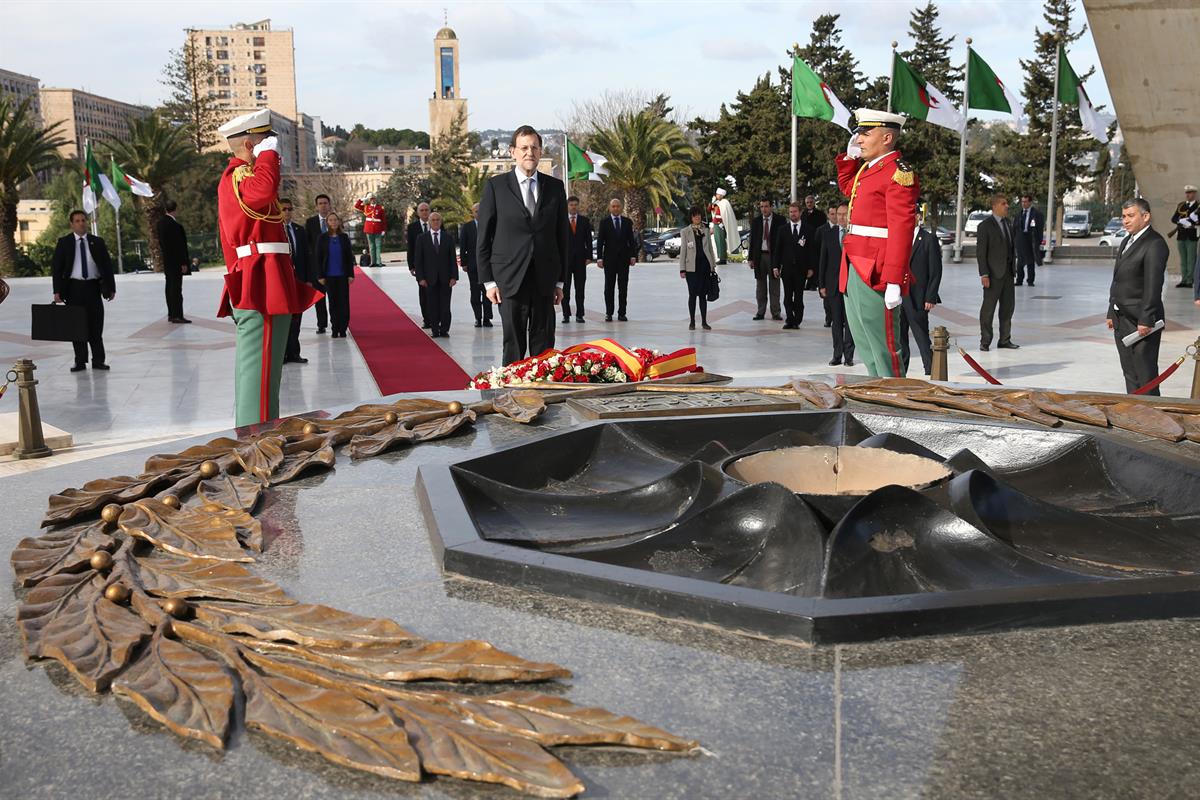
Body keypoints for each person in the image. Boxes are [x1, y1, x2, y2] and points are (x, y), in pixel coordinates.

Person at [215, 108, 321, 426]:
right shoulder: (240, 176)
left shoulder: (245, 175)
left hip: (268, 276)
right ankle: (256, 443)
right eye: (265, 139)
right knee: (259, 372)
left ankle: (261, 434)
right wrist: (267, 159)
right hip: (260, 281)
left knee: (266, 371)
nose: (271, 146)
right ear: (250, 144)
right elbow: (262, 193)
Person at [834, 109, 919, 377]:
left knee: (884, 347)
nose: (858, 139)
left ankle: (895, 401)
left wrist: (895, 279)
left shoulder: (898, 173)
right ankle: (876, 394)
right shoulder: (870, 169)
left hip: (876, 269)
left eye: (864, 133)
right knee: (865, 340)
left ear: (887, 137)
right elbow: (848, 188)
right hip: (854, 263)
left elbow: (901, 229)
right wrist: (849, 158)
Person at [476, 125, 569, 365]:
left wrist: (560, 282)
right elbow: (484, 238)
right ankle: (511, 396)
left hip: (544, 280)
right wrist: (488, 282)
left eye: (534, 148)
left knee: (544, 347)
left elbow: (562, 239)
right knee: (513, 345)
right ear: (513, 152)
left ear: (540, 151)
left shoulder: (555, 188)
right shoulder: (496, 187)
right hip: (509, 280)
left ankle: (543, 393)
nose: (530, 152)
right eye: (524, 147)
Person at [1107, 198, 1168, 395]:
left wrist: (1146, 319)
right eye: (1124, 216)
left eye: (1130, 216)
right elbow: (1117, 280)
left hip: (1141, 322)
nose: (1125, 220)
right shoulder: (1127, 240)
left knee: (1145, 374)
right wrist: (1111, 311)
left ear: (1146, 216)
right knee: (1130, 372)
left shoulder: (1155, 243)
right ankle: (1135, 412)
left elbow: (1153, 285)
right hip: (1121, 318)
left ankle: (1153, 415)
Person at [52, 209, 116, 372]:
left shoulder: (97, 242)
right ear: (72, 224)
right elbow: (57, 269)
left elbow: (107, 266)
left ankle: (98, 360)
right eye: (78, 221)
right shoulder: (64, 242)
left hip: (93, 288)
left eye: (83, 220)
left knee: (96, 325)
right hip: (73, 289)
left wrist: (111, 288)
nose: (81, 223)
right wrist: (57, 291)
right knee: (76, 326)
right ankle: (80, 361)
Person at [900, 213, 943, 375]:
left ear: (917, 216)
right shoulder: (900, 236)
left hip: (918, 296)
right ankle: (902, 368)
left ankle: (930, 367)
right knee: (900, 335)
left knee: (921, 334)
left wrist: (930, 296)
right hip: (900, 295)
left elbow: (935, 271)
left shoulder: (928, 239)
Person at [976, 193, 1019, 352]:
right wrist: (984, 274)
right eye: (1003, 203)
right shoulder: (985, 226)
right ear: (994, 206)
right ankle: (985, 340)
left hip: (1008, 273)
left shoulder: (1008, 223)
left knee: (1008, 308)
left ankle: (1005, 339)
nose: (1007, 206)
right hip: (993, 275)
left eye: (1007, 203)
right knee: (988, 309)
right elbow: (981, 252)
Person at [818, 203, 854, 367]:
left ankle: (849, 356)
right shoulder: (829, 234)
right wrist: (821, 284)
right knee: (836, 322)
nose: (841, 217)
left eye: (844, 214)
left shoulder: (855, 234)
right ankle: (837, 355)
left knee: (850, 322)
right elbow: (823, 260)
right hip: (833, 285)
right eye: (838, 214)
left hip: (851, 286)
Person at [414, 211, 458, 338]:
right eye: (433, 220)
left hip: (446, 279)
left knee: (445, 306)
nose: (436, 222)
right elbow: (418, 260)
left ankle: (444, 329)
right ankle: (434, 330)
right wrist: (420, 278)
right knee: (432, 305)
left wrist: (454, 277)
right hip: (429, 279)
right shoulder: (422, 238)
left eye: (438, 220)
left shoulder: (448, 238)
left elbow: (452, 259)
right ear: (429, 222)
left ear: (441, 221)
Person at [596, 197, 637, 322]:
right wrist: (599, 258)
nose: (615, 208)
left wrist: (633, 256)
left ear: (621, 207)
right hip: (609, 260)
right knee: (609, 287)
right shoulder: (604, 222)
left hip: (624, 260)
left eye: (618, 206)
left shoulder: (627, 222)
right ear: (610, 208)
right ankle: (609, 312)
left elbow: (632, 241)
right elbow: (600, 241)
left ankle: (622, 313)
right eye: (613, 206)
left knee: (623, 287)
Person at [315, 212, 355, 339]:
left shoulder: (344, 237)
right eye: (330, 220)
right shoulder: (322, 238)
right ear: (327, 223)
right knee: (333, 303)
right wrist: (320, 275)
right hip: (329, 276)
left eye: (335, 220)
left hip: (343, 275)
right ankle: (335, 328)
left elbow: (349, 257)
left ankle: (343, 328)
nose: (333, 222)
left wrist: (351, 274)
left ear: (338, 222)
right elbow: (318, 258)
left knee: (344, 302)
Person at [280, 197, 309, 364]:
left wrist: (308, 280)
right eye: (284, 209)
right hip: (283, 282)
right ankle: (282, 353)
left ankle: (294, 353)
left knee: (297, 319)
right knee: (284, 319)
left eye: (289, 209)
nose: (287, 212)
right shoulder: (274, 231)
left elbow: (305, 256)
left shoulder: (299, 230)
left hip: (299, 281)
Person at [678, 207, 717, 330]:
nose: (698, 218)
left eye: (699, 215)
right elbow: (683, 250)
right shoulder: (685, 232)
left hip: (704, 266)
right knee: (692, 295)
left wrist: (713, 265)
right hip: (691, 268)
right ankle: (692, 321)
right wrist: (682, 269)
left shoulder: (705, 230)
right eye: (695, 216)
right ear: (691, 218)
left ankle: (704, 321)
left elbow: (710, 249)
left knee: (703, 295)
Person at [777, 201, 814, 329]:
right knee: (787, 296)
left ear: (800, 212)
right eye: (791, 212)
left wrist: (810, 267)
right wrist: (775, 266)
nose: (793, 214)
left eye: (795, 211)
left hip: (801, 269)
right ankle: (789, 319)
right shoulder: (783, 230)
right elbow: (778, 250)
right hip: (786, 269)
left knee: (798, 296)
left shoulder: (808, 230)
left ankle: (797, 319)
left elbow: (811, 250)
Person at [748, 197, 785, 321]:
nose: (764, 209)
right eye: (762, 206)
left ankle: (776, 312)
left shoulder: (780, 220)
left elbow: (783, 242)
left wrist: (781, 260)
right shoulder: (756, 221)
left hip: (774, 257)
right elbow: (752, 240)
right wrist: (750, 258)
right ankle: (760, 312)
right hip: (760, 257)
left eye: (766, 206)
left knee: (774, 286)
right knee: (760, 286)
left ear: (771, 207)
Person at [156, 199, 191, 323]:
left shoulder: (160, 223)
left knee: (169, 287)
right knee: (176, 289)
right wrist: (183, 263)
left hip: (167, 261)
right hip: (176, 262)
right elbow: (178, 246)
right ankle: (177, 315)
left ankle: (171, 313)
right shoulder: (174, 225)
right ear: (175, 209)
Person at [459, 202, 491, 328]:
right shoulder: (467, 227)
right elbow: (463, 246)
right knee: (475, 293)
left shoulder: (489, 225)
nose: (479, 213)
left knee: (488, 291)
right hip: (473, 266)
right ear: (473, 213)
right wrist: (464, 263)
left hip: (487, 266)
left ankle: (487, 318)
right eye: (476, 211)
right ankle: (478, 317)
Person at [303, 194, 332, 333]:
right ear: (316, 206)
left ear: (329, 205)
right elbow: (307, 246)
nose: (323, 205)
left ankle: (337, 323)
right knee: (320, 299)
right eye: (320, 203)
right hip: (317, 268)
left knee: (335, 298)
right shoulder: (310, 223)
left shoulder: (334, 221)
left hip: (333, 268)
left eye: (325, 203)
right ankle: (322, 324)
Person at [563, 195, 593, 323]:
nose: (573, 207)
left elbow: (589, 241)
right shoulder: (562, 221)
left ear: (578, 206)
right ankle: (566, 314)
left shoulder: (584, 221)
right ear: (568, 206)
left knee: (580, 288)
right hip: (565, 260)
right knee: (565, 289)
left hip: (580, 260)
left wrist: (589, 257)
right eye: (571, 205)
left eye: (575, 205)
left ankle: (580, 314)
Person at [406, 202, 433, 328]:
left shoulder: (436, 223)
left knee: (436, 293)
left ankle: (436, 318)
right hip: (420, 266)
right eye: (422, 210)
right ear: (418, 213)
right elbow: (410, 248)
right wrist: (411, 266)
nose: (424, 212)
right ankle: (427, 319)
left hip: (435, 265)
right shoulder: (412, 227)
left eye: (426, 210)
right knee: (423, 294)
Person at [1170, 185, 1199, 288]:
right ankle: (1184, 279)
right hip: (1181, 235)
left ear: (1194, 194)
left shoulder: (1198, 206)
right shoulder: (1181, 205)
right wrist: (1180, 221)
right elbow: (1173, 219)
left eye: (1190, 193)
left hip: (1192, 236)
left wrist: (1192, 223)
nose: (1188, 195)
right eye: (1187, 193)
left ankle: (1190, 280)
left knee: (1191, 259)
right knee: (1183, 260)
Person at [1013, 193, 1044, 287]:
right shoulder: (1019, 214)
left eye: (1025, 202)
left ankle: (1030, 280)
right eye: (1022, 202)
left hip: (1031, 238)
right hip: (1020, 239)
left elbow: (1040, 228)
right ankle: (1019, 280)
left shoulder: (1037, 214)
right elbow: (1014, 227)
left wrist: (1038, 241)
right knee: (1020, 261)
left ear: (1030, 202)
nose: (1023, 204)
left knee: (1030, 261)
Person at [354, 193, 387, 267]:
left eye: (373, 198)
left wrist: (383, 230)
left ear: (375, 199)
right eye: (371, 199)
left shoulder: (380, 208)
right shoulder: (366, 207)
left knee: (378, 246)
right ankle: (373, 262)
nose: (372, 200)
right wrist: (362, 199)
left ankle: (378, 262)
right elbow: (356, 206)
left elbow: (383, 219)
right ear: (369, 200)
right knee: (371, 246)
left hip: (378, 228)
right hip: (369, 228)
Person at [708, 188, 739, 265]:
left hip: (720, 224)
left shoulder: (724, 202)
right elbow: (710, 209)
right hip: (716, 224)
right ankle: (720, 257)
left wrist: (721, 223)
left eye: (718, 194)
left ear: (721, 195)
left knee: (720, 241)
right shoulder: (717, 203)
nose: (716, 195)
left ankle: (722, 258)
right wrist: (712, 202)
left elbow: (724, 214)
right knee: (717, 241)